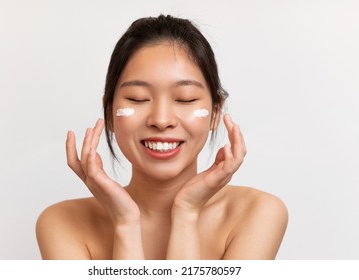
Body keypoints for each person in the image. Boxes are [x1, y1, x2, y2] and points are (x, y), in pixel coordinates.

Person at [36, 14, 288, 260]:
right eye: (137, 98)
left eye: (185, 99)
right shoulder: (62, 222)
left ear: (215, 113)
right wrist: (125, 223)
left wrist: (186, 212)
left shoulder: (258, 213)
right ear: (110, 113)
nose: (161, 119)